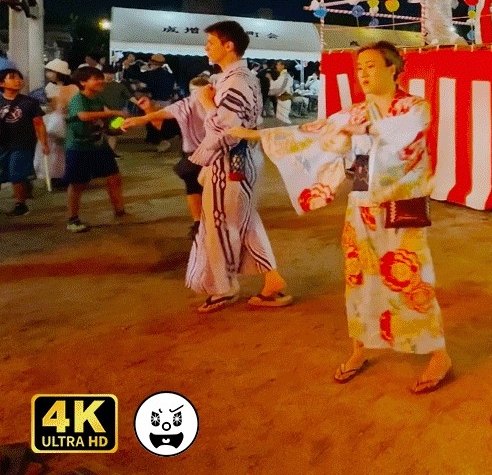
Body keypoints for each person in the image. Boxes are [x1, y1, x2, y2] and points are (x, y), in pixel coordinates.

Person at [249, 42, 452, 392]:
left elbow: (407, 130)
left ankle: (437, 353)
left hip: (400, 206)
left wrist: (367, 131)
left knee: (410, 280)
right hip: (361, 206)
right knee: (359, 278)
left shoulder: (414, 107)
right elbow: (312, 134)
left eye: (372, 66)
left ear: (393, 68)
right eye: (360, 68)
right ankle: (360, 346)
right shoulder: (354, 113)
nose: (364, 74)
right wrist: (261, 135)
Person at [185, 21, 291, 314]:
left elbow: (224, 127)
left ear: (228, 45)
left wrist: (206, 103)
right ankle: (271, 281)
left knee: (221, 223)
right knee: (241, 221)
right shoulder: (238, 77)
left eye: (211, 42)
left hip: (231, 159)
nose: (206, 47)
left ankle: (223, 287)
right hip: (238, 159)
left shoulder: (236, 80)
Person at [122, 75, 213, 239]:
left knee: (215, 192)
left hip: (216, 156)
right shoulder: (185, 109)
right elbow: (164, 128)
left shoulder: (218, 108)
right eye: (192, 93)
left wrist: (144, 116)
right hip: (193, 156)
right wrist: (148, 111)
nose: (195, 98)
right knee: (193, 188)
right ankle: (199, 223)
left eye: (199, 93)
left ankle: (215, 224)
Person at [64, 66, 127, 233]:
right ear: (83, 82)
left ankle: (120, 211)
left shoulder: (98, 99)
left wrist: (120, 125)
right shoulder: (79, 99)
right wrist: (112, 113)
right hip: (79, 147)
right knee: (77, 184)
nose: (101, 81)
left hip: (99, 145)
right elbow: (83, 116)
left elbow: (107, 125)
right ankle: (72, 219)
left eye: (101, 77)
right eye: (96, 78)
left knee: (114, 177)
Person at [0, 69, 48, 216]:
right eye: (12, 78)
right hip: (2, 144)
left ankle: (21, 204)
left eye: (20, 78)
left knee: (16, 174)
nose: (18, 80)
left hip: (23, 144)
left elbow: (38, 123)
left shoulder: (30, 102)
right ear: (1, 83)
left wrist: (44, 143)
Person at [98, 65, 130, 155]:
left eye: (111, 74)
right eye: (107, 73)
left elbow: (128, 96)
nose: (109, 75)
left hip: (115, 114)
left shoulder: (118, 86)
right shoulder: (97, 85)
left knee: (113, 133)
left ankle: (110, 152)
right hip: (100, 113)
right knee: (102, 133)